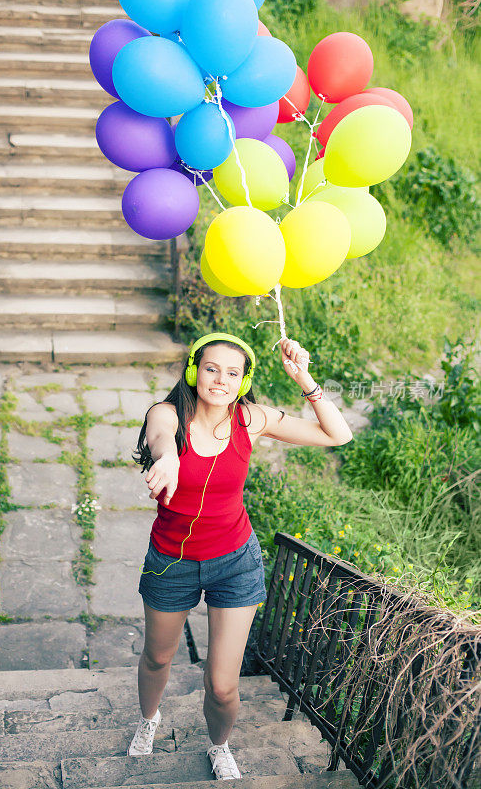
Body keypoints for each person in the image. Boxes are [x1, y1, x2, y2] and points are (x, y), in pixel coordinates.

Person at [128, 332, 353, 780]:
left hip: (235, 560)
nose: (220, 380)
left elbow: (338, 434)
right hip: (172, 560)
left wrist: (304, 377)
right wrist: (168, 457)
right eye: (211, 369)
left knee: (223, 683)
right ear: (194, 372)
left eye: (233, 374)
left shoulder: (250, 419)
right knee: (157, 657)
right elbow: (160, 437)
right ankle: (149, 720)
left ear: (243, 381)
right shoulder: (166, 413)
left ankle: (219, 746)